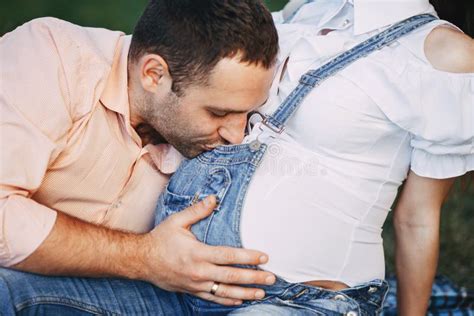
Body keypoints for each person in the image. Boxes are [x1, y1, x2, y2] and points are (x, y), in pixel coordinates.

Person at [153, 0, 473, 315]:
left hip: (298, 300)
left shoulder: (447, 55)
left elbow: (417, 218)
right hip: (179, 278)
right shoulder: (309, 9)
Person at [0, 0, 281, 314]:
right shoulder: (51, 58)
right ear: (154, 75)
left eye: (249, 112)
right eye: (218, 112)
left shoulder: (212, 135)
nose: (237, 135)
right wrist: (145, 257)